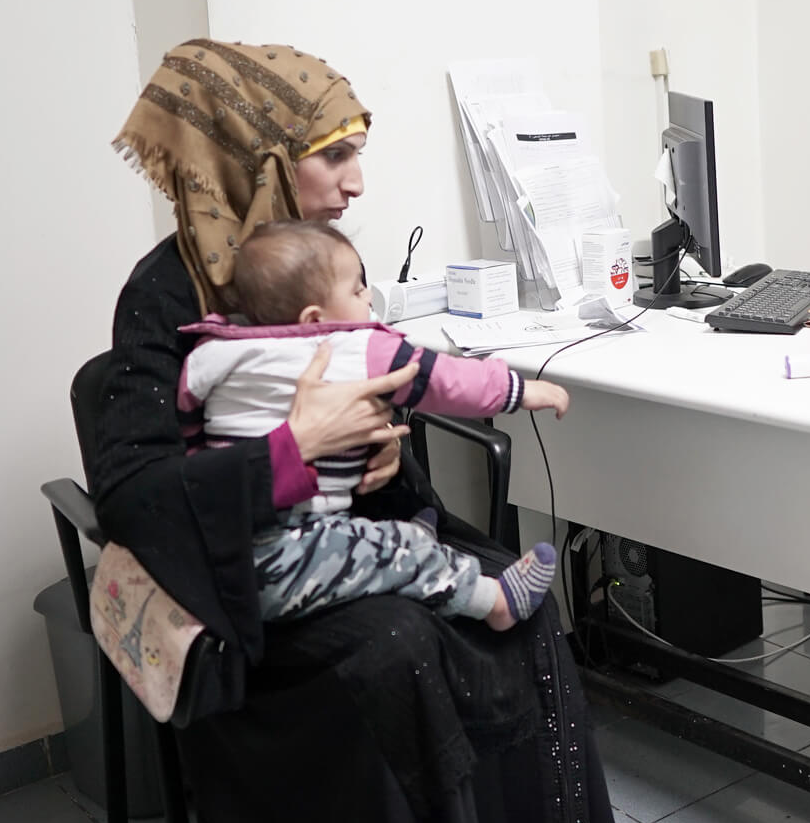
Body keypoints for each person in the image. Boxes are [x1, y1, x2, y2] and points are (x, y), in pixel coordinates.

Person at [95, 39, 634, 823]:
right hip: (246, 580)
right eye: (335, 154)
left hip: (353, 527)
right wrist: (292, 447)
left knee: (524, 605)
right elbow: (135, 494)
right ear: (263, 159)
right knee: (399, 650)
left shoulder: (313, 258)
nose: (356, 183)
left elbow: (379, 394)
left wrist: (384, 447)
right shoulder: (165, 295)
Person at [181, 219, 569, 630]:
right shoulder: (350, 346)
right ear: (314, 317)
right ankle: (494, 603)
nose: (367, 295)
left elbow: (190, 434)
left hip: (222, 547)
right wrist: (519, 390)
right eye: (356, 290)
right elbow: (441, 378)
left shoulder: (210, 353)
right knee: (399, 555)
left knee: (380, 537)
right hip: (284, 557)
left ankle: (413, 542)